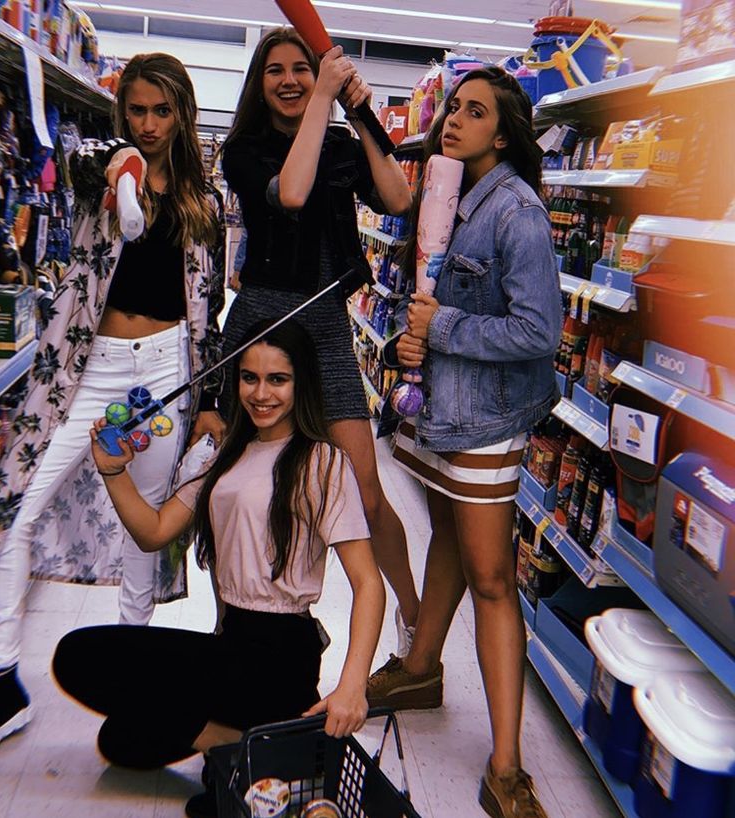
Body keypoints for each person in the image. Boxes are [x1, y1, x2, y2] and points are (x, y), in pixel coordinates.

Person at [52, 319, 385, 818]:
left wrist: (353, 684)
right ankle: (263, 746)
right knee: (119, 737)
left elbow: (368, 582)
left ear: (302, 383)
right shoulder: (222, 460)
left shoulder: (321, 462)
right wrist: (112, 469)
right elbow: (155, 530)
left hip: (280, 653)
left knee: (99, 672)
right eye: (249, 378)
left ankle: (264, 751)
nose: (261, 393)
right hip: (231, 644)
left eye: (278, 379)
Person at [0, 53, 226, 744]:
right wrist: (120, 166)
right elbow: (88, 165)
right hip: (85, 368)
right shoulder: (102, 168)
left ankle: (129, 678)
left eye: (161, 111)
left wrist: (210, 395)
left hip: (160, 374)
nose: (149, 124)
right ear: (121, 110)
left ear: (182, 112)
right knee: (17, 505)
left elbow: (207, 310)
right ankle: (3, 674)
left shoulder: (204, 203)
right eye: (137, 109)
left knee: (144, 531)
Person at [366, 67, 562, 818]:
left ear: (503, 133)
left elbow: (538, 333)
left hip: (485, 421)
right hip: (438, 408)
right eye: (453, 106)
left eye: (474, 111)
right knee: (442, 532)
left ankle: (507, 768)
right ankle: (420, 669)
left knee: (492, 580)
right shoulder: (445, 190)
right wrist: (409, 341)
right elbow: (429, 297)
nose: (453, 119)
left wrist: (438, 329)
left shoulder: (518, 214)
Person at [219, 27, 419, 658]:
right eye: (274, 70)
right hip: (262, 324)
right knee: (244, 485)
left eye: (301, 69)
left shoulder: (339, 141)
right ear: (259, 83)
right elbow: (293, 192)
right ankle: (238, 628)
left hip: (327, 322)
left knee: (364, 486)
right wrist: (327, 100)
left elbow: (399, 198)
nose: (289, 81)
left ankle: (414, 629)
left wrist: (360, 117)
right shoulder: (243, 151)